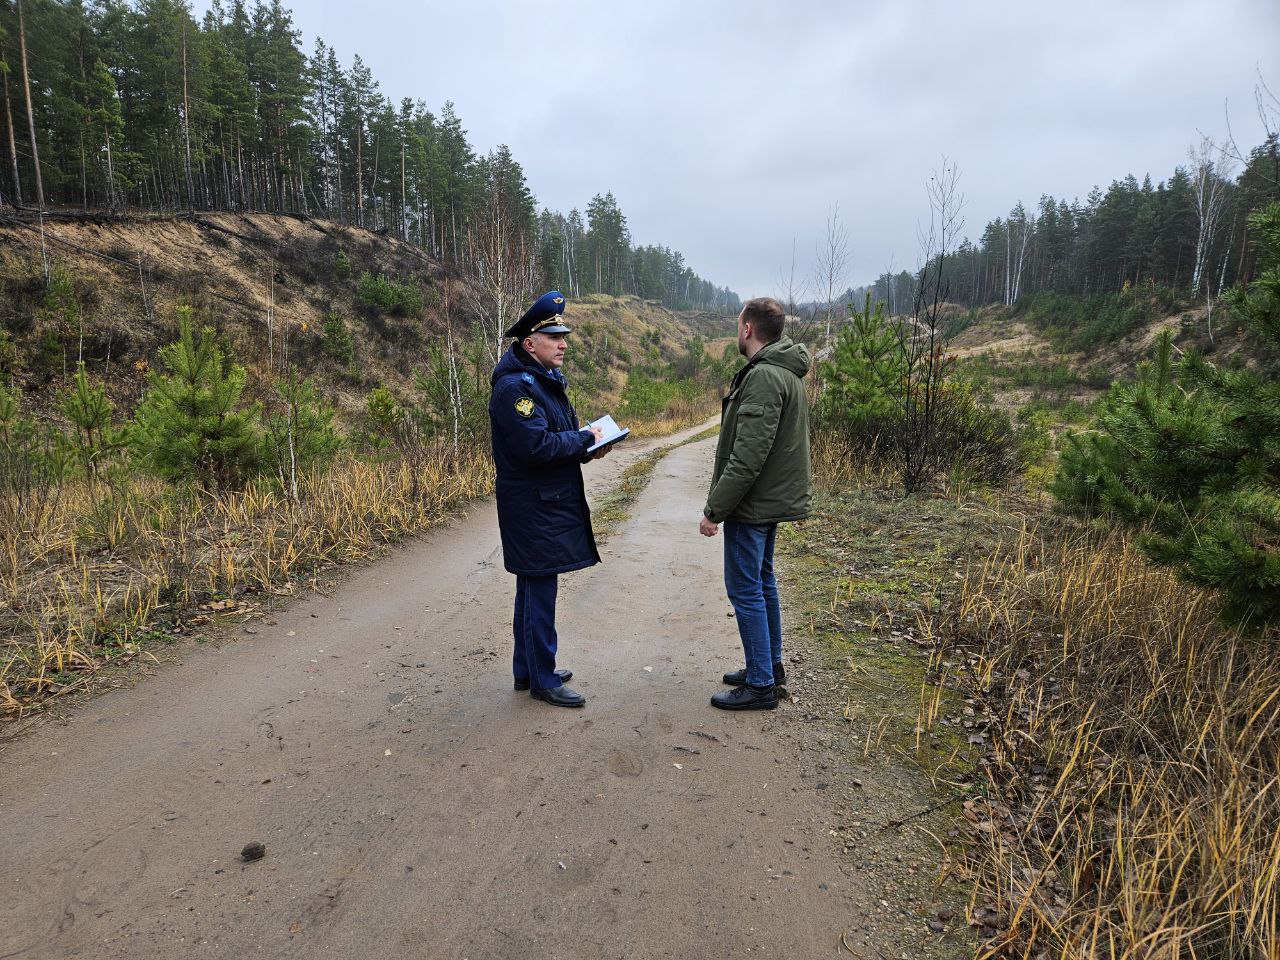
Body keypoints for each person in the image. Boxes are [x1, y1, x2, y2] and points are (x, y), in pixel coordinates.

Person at [489, 291, 610, 708]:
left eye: (564, 336)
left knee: (536, 586)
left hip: (544, 500)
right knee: (538, 590)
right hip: (532, 505)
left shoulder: (540, 381)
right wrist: (581, 440)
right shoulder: (514, 390)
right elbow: (536, 446)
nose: (563, 344)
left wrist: (588, 446)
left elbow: (556, 438)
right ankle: (542, 677)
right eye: (553, 337)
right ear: (529, 344)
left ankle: (529, 669)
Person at [699, 296, 812, 711]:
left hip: (754, 504)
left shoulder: (764, 377)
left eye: (738, 323)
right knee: (763, 584)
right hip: (768, 500)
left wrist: (715, 510)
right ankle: (768, 666)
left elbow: (748, 456)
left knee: (745, 588)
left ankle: (761, 684)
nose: (736, 329)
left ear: (747, 328)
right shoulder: (784, 372)